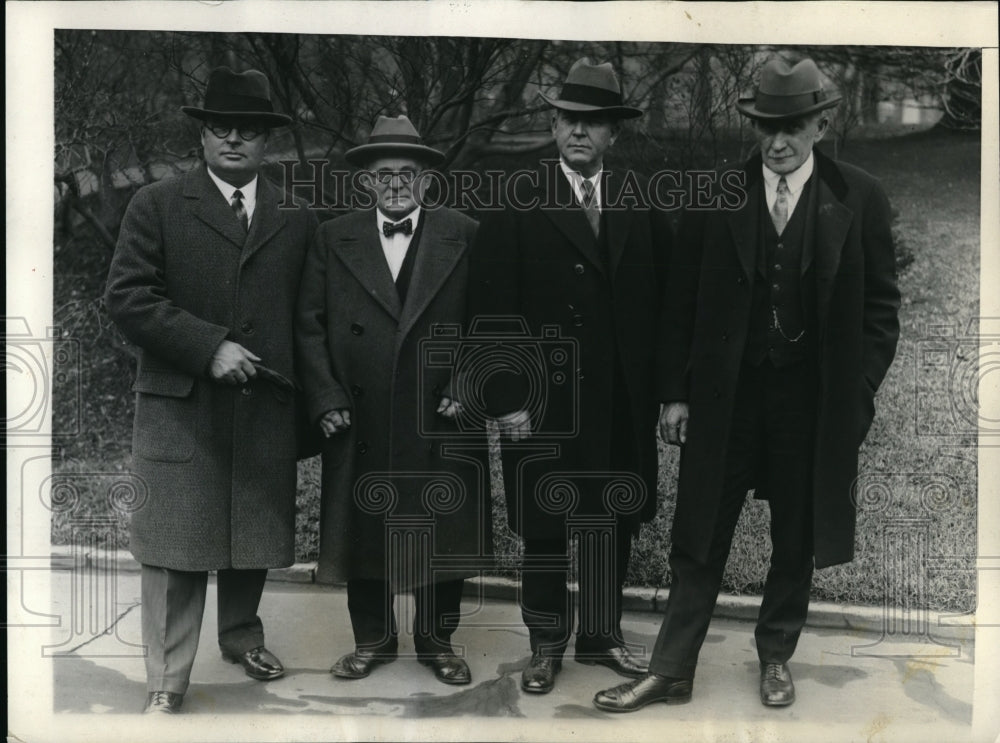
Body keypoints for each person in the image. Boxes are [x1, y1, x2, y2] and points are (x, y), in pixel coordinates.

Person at [593, 57, 901, 713]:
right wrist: (674, 392)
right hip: (725, 397)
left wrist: (858, 393)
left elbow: (880, 311)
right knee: (699, 529)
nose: (779, 142)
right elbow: (679, 301)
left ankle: (776, 655)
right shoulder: (717, 194)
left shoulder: (860, 196)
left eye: (793, 127)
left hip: (811, 403)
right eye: (766, 128)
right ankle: (671, 668)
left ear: (821, 122)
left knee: (796, 533)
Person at [104, 66, 317, 714]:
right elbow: (127, 297)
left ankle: (242, 636)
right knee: (176, 545)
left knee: (248, 533)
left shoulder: (296, 216)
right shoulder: (158, 204)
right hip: (183, 406)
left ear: (266, 143)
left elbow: (309, 316)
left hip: (261, 405)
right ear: (203, 138)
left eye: (247, 131)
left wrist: (317, 403)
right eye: (221, 128)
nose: (233, 140)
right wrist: (209, 346)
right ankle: (167, 677)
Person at [465, 59, 671, 694]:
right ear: (553, 126)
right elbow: (488, 309)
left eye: (594, 122)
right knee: (547, 525)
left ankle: (602, 636)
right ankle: (546, 643)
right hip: (543, 401)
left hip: (619, 399)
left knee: (611, 517)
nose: (579, 132)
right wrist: (505, 395)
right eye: (568, 120)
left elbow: (664, 306)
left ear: (614, 133)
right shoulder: (517, 198)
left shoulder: (640, 200)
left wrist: (666, 395)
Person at [295, 115, 487, 686]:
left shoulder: (466, 232)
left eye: (408, 173)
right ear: (366, 183)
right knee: (367, 523)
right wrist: (325, 394)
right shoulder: (333, 237)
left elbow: (491, 321)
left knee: (442, 522)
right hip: (363, 412)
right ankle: (372, 640)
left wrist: (467, 384)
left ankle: (437, 640)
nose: (396, 184)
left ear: (428, 179)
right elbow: (308, 323)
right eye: (385, 175)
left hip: (441, 412)